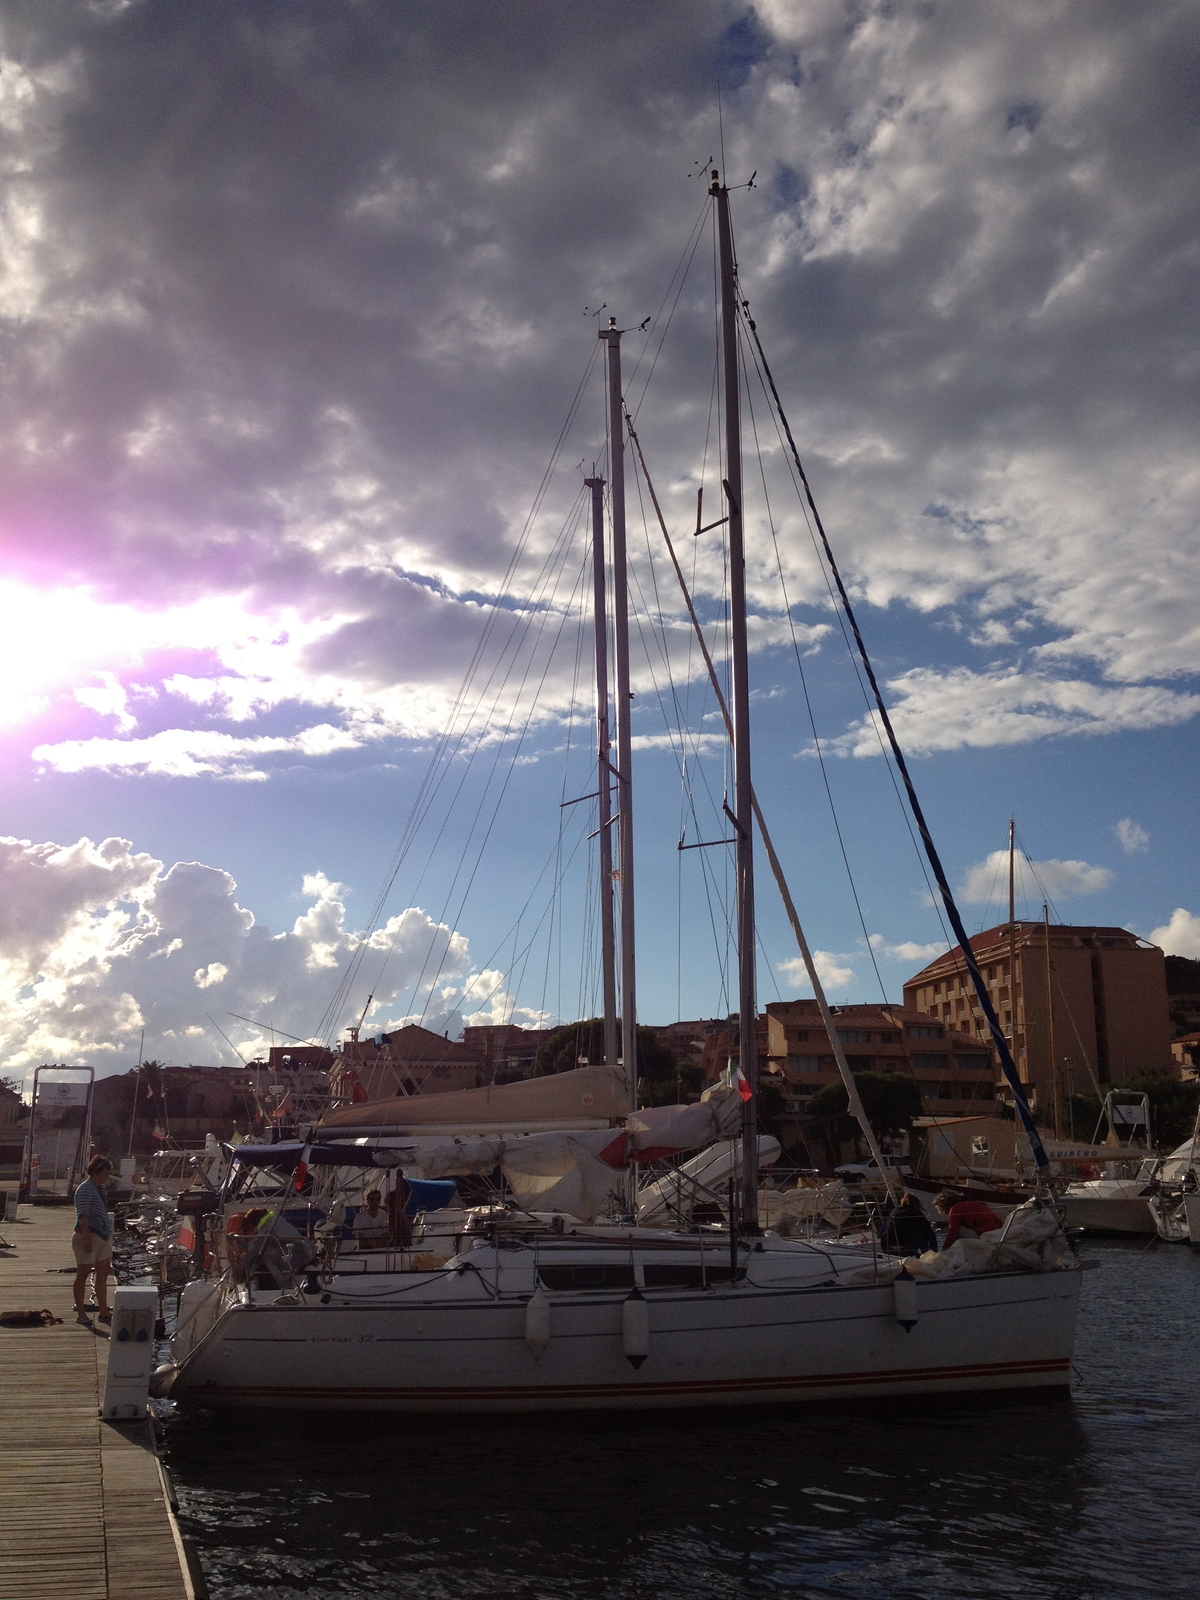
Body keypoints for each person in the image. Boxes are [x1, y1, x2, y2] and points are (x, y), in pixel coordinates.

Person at [73, 1155, 114, 1325]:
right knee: (83, 1274)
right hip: (87, 1235)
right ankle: (81, 1313)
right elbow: (82, 1215)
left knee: (102, 1273)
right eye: (104, 1173)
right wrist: (87, 1238)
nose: (106, 1176)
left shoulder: (100, 1189)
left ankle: (103, 1310)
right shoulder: (85, 1189)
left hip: (103, 1236)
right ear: (95, 1172)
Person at [935, 1190, 1003, 1250]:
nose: (946, 1213)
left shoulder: (955, 1209)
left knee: (959, 1228)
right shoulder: (977, 1203)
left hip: (984, 1237)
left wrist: (944, 1250)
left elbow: (952, 1232)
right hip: (997, 1235)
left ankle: (960, 1251)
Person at [879, 1192, 937, 1256]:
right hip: (905, 1249)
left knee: (884, 1227)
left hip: (887, 1248)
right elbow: (930, 1233)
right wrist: (934, 1250)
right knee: (921, 1232)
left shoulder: (895, 1211)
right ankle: (927, 1255)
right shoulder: (916, 1213)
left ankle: (917, 1254)